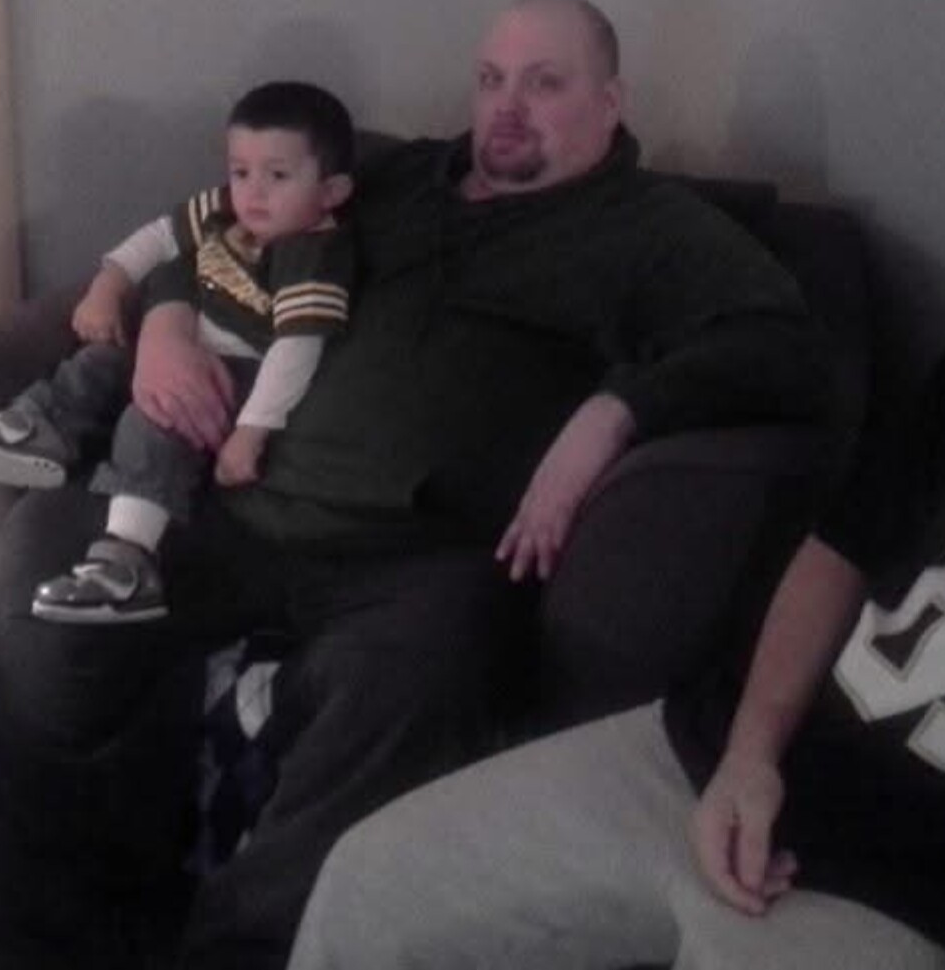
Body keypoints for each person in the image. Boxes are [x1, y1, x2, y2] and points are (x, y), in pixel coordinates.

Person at [0, 0, 830, 970]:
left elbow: (791, 351)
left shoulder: (654, 231)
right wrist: (167, 324)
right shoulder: (388, 176)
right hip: (235, 505)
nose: (508, 106)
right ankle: (52, 943)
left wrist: (615, 410)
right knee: (48, 553)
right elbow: (217, 238)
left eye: (545, 84)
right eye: (492, 79)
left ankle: (241, 951)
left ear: (610, 100)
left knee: (424, 672)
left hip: (417, 564)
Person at [286, 355, 945, 970]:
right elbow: (841, 548)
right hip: (713, 758)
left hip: (900, 897)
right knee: (365, 883)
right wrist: (751, 753)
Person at [0, 80, 355, 622]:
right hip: (192, 343)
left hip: (240, 378)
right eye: (241, 171)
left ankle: (126, 563)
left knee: (152, 421)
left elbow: (297, 350)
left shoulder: (314, 253)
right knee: (100, 359)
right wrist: (107, 287)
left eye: (277, 176)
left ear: (331, 191)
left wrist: (252, 433)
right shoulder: (227, 211)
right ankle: (40, 431)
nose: (254, 193)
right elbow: (158, 237)